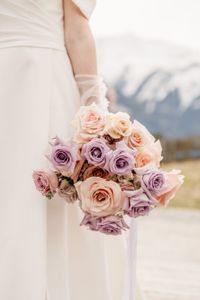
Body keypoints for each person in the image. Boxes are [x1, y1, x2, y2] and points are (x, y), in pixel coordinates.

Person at [0, 1, 137, 299]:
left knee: (40, 194)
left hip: (42, 83)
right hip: (30, 78)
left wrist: (93, 106)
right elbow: (77, 32)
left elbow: (76, 30)